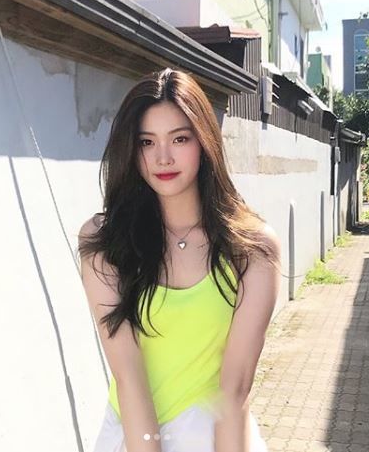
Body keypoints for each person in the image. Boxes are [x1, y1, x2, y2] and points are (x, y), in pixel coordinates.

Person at [79, 69, 281, 452]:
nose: (163, 157)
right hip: (133, 435)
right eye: (147, 142)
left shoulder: (251, 247)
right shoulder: (104, 241)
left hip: (214, 436)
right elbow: (129, 376)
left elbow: (234, 391)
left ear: (204, 141)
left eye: (180, 138)